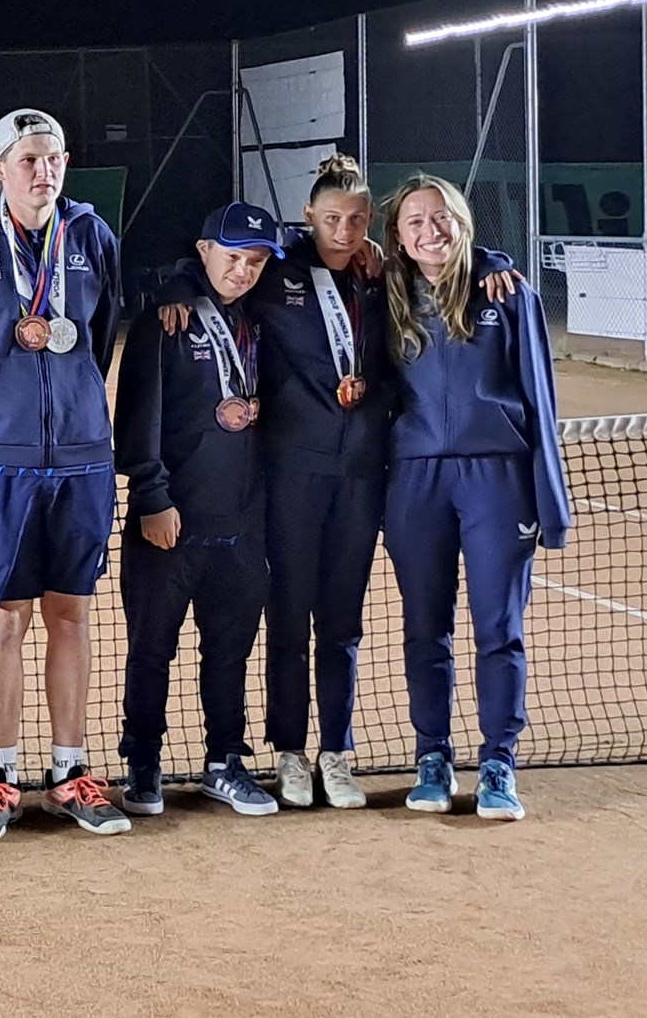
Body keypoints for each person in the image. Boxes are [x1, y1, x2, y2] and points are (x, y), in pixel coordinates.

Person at [156, 154, 520, 809]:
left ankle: (336, 753)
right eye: (331, 218)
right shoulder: (280, 273)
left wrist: (493, 261)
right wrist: (179, 285)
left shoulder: (383, 280)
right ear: (309, 218)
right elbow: (217, 273)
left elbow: (450, 254)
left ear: (370, 222)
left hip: (364, 474)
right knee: (290, 618)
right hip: (293, 473)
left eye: (356, 219)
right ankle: (291, 752)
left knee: (344, 625)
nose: (345, 230)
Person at [0, 108, 131, 842]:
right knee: (6, 617)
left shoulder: (94, 237)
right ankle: (0, 776)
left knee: (71, 612)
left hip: (81, 458)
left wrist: (77, 416)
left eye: (53, 159)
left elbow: (100, 338)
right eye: (27, 161)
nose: (43, 172)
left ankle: (71, 772)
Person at [381, 174, 568, 822]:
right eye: (415, 222)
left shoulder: (508, 293)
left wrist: (552, 503)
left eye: (441, 217)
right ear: (398, 238)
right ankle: (432, 757)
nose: (430, 230)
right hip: (413, 482)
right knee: (423, 629)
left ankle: (498, 764)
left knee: (499, 629)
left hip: (498, 481)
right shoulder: (382, 298)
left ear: (462, 221)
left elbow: (540, 400)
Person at [113, 203, 284, 818]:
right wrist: (152, 499)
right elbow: (137, 419)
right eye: (233, 256)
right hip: (170, 524)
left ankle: (224, 762)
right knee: (151, 649)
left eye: (257, 261)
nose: (243, 271)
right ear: (205, 248)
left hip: (241, 526)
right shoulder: (166, 323)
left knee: (230, 651)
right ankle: (142, 764)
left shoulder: (264, 319)